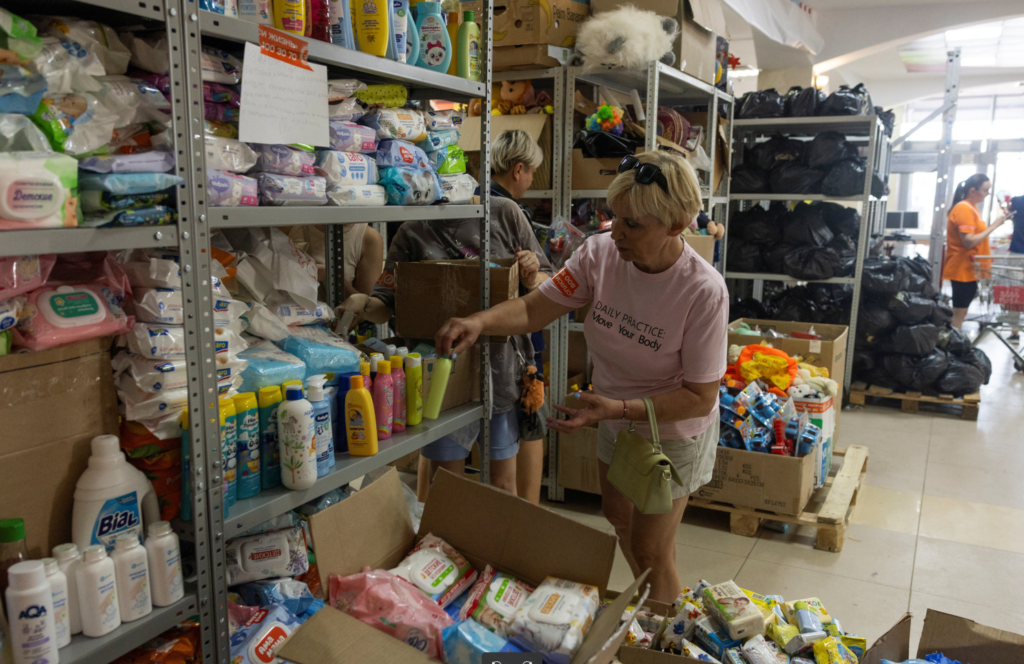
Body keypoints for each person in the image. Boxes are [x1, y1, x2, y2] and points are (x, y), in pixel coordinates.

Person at [435, 151, 729, 603]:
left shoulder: (702, 291)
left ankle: (666, 634)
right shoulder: (600, 253)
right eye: (616, 218)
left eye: (633, 225)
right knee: (618, 515)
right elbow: (537, 306)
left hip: (670, 428)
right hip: (612, 413)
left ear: (677, 224)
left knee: (652, 547)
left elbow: (700, 396)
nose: (618, 233)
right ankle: (650, 605)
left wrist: (618, 409)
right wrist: (480, 321)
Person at [338, 130, 552, 500]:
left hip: (501, 370)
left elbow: (548, 285)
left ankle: (497, 555)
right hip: (441, 372)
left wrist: (534, 273)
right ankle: (440, 554)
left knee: (503, 484)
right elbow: (388, 301)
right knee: (443, 484)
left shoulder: (503, 214)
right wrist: (362, 303)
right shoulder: (411, 231)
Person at [941, 174, 1007, 329]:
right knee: (960, 311)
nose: (988, 194)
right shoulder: (963, 209)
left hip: (970, 268)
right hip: (962, 268)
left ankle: (954, 342)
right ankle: (953, 345)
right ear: (973, 190)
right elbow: (969, 241)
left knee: (962, 310)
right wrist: (994, 225)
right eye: (985, 190)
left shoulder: (973, 208)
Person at [289, 224, 384, 298]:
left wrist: (332, 276)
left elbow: (367, 311)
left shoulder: (369, 237)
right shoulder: (292, 226)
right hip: (287, 319)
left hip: (340, 321)